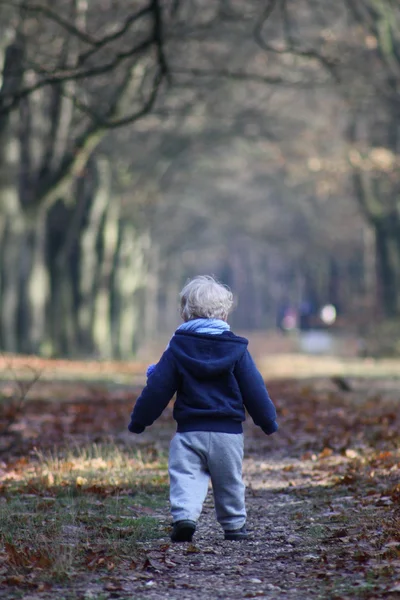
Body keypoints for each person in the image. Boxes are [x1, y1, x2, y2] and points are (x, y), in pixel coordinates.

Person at [128, 275, 278, 543]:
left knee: (185, 476)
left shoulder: (176, 348)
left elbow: (158, 388)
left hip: (189, 432)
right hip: (227, 434)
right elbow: (254, 388)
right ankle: (234, 526)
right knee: (229, 480)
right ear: (224, 312)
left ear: (185, 312)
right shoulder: (237, 349)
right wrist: (267, 421)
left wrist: (140, 420)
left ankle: (185, 516)